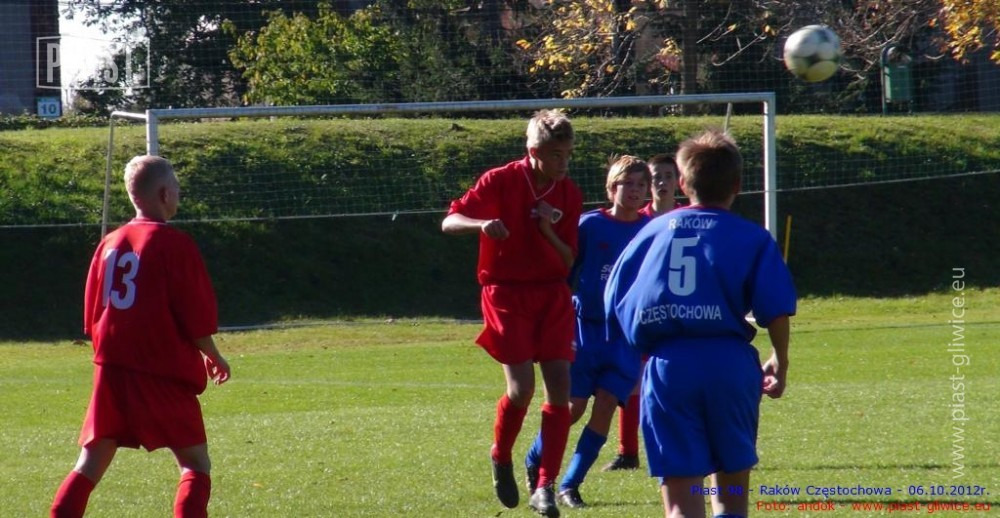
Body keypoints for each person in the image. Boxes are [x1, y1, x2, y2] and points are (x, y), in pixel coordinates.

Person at [604, 130, 796, 518]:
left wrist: (635, 353)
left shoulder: (651, 231)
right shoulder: (751, 237)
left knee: (681, 499)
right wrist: (780, 357)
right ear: (737, 185)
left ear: (683, 183)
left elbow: (615, 300)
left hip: (670, 367)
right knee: (731, 491)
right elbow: (775, 307)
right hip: (729, 365)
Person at [51, 155, 231, 518]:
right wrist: (213, 354)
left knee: (89, 461)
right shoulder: (173, 244)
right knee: (195, 463)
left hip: (112, 370)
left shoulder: (110, 242)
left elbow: (92, 316)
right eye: (176, 187)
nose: (178, 193)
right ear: (164, 194)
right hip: (160, 370)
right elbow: (194, 314)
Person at [441, 110, 582, 518]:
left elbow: (569, 259)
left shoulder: (568, 193)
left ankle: (545, 487)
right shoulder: (499, 180)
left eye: (568, 155)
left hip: (552, 295)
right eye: (556, 155)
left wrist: (547, 230)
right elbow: (450, 221)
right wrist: (482, 224)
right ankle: (500, 455)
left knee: (560, 386)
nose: (564, 163)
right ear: (533, 151)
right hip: (506, 294)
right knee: (521, 390)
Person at [523, 155, 650, 508]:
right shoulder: (590, 225)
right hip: (585, 329)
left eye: (641, 184)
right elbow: (564, 269)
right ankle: (535, 458)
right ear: (611, 188)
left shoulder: (651, 229)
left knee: (607, 404)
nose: (635, 190)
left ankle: (570, 485)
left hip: (625, 336)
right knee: (573, 407)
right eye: (627, 183)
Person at [606, 152, 683, 472]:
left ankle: (681, 447)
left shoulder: (689, 218)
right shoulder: (638, 221)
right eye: (656, 177)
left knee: (676, 381)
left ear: (680, 181)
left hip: (679, 311)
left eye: (668, 175)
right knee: (632, 378)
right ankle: (628, 451)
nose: (662, 182)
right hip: (643, 310)